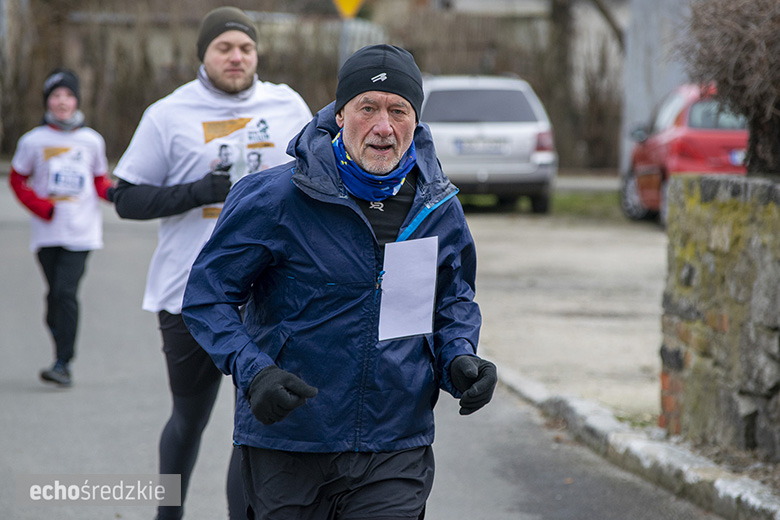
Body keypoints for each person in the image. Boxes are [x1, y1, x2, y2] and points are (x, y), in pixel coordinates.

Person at [182, 44, 498, 519]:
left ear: (416, 121)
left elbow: (452, 297)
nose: (383, 127)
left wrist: (460, 356)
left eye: (399, 111)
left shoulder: (436, 206)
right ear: (340, 112)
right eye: (367, 108)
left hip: (395, 442)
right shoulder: (274, 198)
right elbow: (208, 297)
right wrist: (254, 371)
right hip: (290, 438)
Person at [111, 7, 312, 520]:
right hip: (190, 294)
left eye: (245, 48)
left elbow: (320, 179)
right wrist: (195, 193)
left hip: (270, 296)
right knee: (189, 418)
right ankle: (167, 514)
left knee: (255, 424)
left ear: (257, 55)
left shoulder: (286, 104)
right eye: (224, 47)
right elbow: (126, 198)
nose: (236, 57)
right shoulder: (169, 113)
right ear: (203, 54)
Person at [9, 68, 114, 388]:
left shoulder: (91, 140)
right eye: (56, 96)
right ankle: (59, 344)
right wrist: (42, 207)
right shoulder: (33, 141)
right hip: (47, 232)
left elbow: (99, 179)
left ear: (77, 100)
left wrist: (118, 196)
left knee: (66, 293)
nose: (62, 101)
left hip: (82, 232)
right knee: (54, 297)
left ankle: (63, 362)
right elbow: (17, 179)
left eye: (68, 95)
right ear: (47, 102)